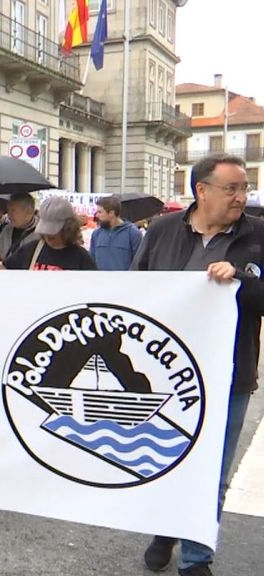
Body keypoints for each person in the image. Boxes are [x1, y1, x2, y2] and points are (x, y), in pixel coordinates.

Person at [135, 154, 261, 576]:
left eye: (244, 188)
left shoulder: (258, 236)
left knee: (214, 469)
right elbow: (138, 291)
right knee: (167, 457)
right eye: (232, 188)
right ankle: (166, 529)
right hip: (164, 375)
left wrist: (243, 280)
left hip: (229, 376)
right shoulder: (162, 230)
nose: (241, 197)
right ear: (201, 190)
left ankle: (195, 558)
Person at [0, 196, 97, 271]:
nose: (49, 235)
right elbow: (5, 267)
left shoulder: (81, 257)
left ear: (67, 227)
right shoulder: (32, 248)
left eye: (53, 230)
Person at [89, 195, 143, 271]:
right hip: (100, 281)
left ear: (111, 213)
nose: (97, 215)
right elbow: (92, 261)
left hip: (124, 281)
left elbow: (138, 262)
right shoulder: (96, 234)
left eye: (100, 212)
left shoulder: (132, 233)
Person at [0, 192, 40, 261]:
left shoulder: (42, 233)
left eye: (13, 210)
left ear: (28, 212)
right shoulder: (6, 230)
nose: (9, 215)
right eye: (8, 210)